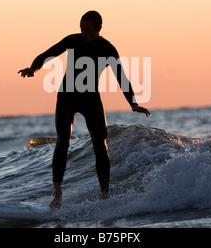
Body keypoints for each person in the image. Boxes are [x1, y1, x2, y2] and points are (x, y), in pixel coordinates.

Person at [18, 11, 150, 208]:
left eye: (87, 29)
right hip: (66, 97)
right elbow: (47, 55)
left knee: (100, 143)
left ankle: (104, 195)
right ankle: (57, 195)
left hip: (90, 99)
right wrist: (33, 69)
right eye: (81, 28)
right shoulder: (73, 40)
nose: (83, 33)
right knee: (63, 141)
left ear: (98, 29)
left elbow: (120, 76)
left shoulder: (107, 49)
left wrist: (133, 104)